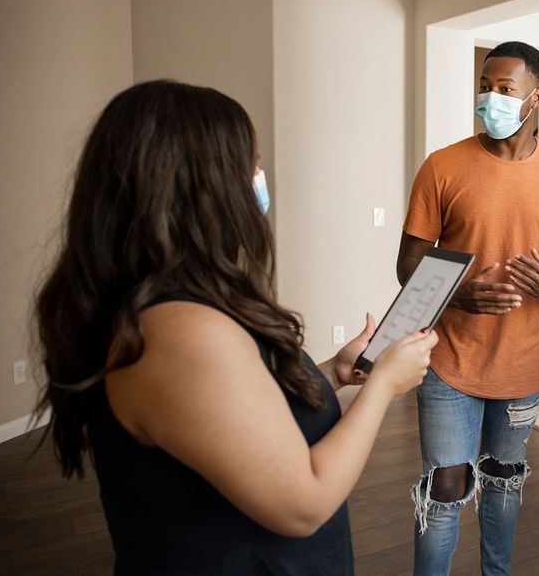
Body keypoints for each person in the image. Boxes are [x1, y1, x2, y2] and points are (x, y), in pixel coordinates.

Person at [34, 80, 437, 574]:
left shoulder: (167, 307)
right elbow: (303, 503)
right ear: (204, 184)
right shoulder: (181, 334)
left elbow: (236, 405)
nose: (260, 176)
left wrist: (333, 370)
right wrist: (384, 387)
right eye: (252, 161)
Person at [398, 41, 539, 574]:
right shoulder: (443, 166)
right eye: (485, 87)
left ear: (535, 96)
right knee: (445, 488)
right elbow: (408, 266)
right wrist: (460, 293)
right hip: (450, 364)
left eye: (505, 89)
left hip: (524, 366)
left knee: (504, 481)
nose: (491, 98)